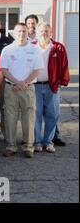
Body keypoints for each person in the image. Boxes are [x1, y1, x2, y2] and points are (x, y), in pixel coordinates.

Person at [0, 23, 44, 158]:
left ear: (27, 32)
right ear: (14, 33)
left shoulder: (35, 49)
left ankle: (29, 147)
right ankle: (11, 146)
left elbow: (37, 70)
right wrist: (17, 83)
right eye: (19, 31)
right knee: (10, 118)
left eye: (24, 31)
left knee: (29, 118)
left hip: (28, 88)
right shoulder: (7, 49)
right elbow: (4, 70)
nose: (22, 34)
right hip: (10, 88)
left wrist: (23, 83)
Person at [34, 22, 70, 153]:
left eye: (47, 31)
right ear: (37, 33)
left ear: (51, 33)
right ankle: (37, 142)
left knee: (53, 115)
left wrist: (62, 81)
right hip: (35, 87)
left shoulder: (58, 47)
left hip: (52, 86)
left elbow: (64, 66)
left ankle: (48, 142)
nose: (44, 33)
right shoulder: (31, 47)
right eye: (42, 31)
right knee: (35, 115)